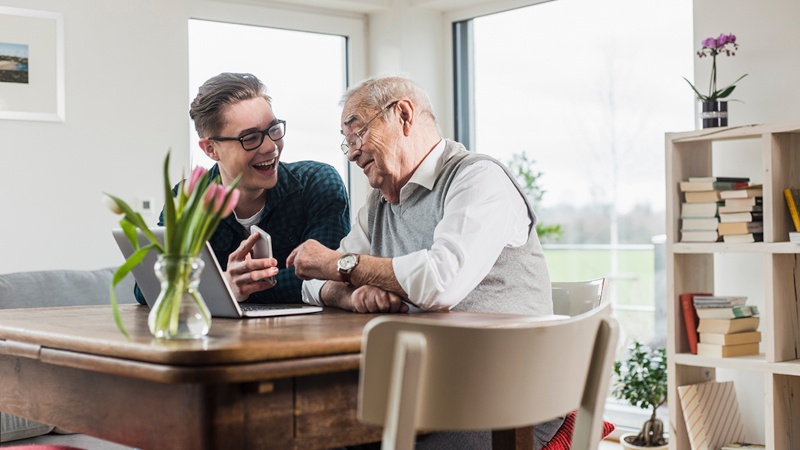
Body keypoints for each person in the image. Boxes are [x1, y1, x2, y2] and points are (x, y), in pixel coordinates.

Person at [287, 75, 557, 448]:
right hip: (430, 388)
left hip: (508, 394)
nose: (351, 153)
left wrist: (343, 267)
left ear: (403, 115)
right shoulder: (379, 205)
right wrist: (350, 294)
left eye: (357, 134)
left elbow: (440, 282)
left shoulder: (478, 178)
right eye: (346, 142)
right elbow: (312, 283)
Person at [135, 72, 350, 305]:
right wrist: (226, 283)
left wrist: (225, 288)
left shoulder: (318, 184)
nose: (271, 147)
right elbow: (146, 287)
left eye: (274, 129)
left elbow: (329, 275)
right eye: (250, 138)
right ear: (210, 149)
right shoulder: (188, 198)